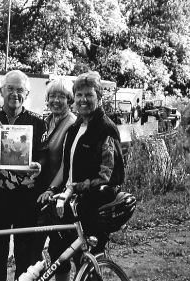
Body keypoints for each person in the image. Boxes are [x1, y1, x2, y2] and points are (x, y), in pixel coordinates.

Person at [48, 71, 125, 274]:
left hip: (93, 207)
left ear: (98, 97)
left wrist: (78, 187)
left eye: (89, 95)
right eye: (79, 95)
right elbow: (68, 168)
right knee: (60, 257)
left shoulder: (106, 129)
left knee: (89, 264)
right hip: (68, 204)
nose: (83, 100)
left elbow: (111, 176)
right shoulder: (75, 127)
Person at [0, 70, 46, 280]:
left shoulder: (37, 121)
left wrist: (37, 166)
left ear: (27, 93)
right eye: (10, 88)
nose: (15, 94)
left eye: (20, 90)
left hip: (26, 198)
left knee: (24, 253)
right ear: (1, 90)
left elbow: (44, 156)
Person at [31, 78, 77, 280]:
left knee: (60, 249)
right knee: (37, 246)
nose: (56, 100)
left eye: (61, 96)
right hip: (40, 192)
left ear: (69, 99)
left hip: (58, 193)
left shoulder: (72, 124)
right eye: (52, 96)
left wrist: (52, 188)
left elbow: (67, 165)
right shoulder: (46, 121)